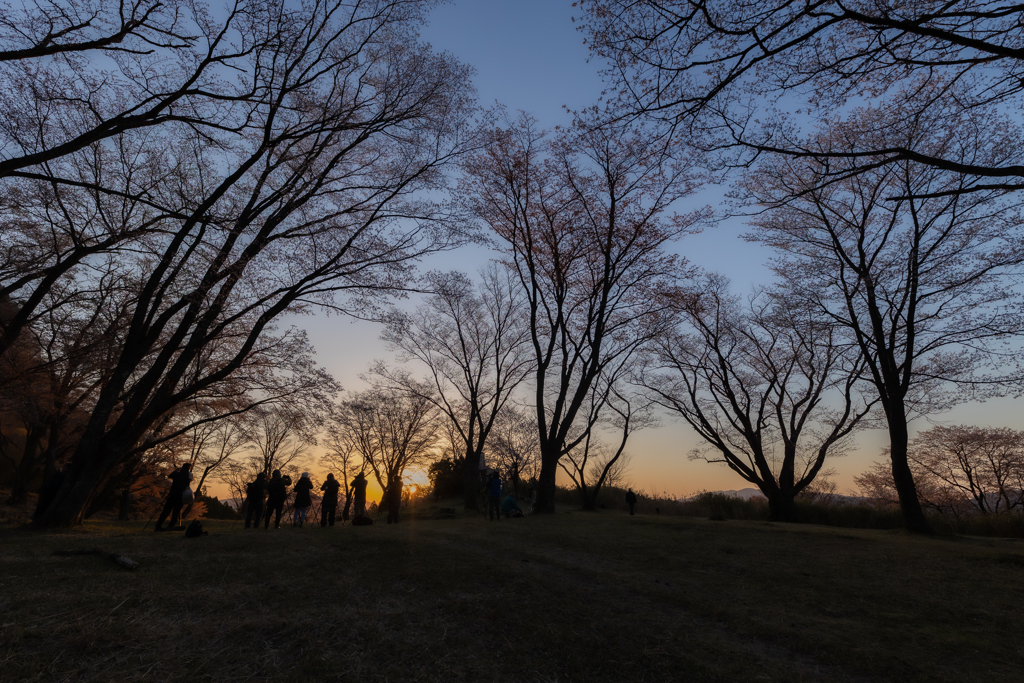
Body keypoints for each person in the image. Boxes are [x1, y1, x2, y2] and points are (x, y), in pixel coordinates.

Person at [155, 463, 193, 531]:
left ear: (182, 467)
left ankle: (158, 525)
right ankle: (171, 525)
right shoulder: (189, 475)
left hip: (172, 495)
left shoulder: (177, 474)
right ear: (189, 468)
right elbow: (191, 479)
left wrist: (176, 470)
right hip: (181, 496)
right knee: (176, 512)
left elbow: (170, 476)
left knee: (166, 511)